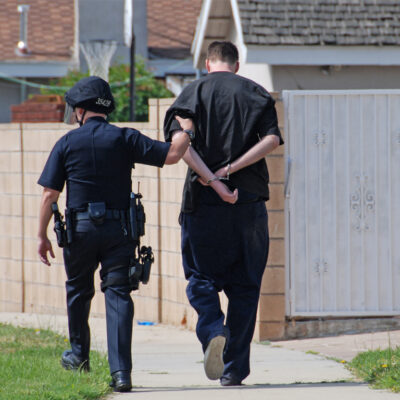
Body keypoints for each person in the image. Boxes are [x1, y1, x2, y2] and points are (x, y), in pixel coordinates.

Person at [37, 76, 193, 392]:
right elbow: (174, 154)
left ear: (80, 110)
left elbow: (49, 195)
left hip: (79, 232)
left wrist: (41, 236)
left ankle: (79, 356)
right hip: (119, 230)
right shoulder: (124, 138)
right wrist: (186, 127)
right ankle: (121, 374)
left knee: (78, 292)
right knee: (118, 295)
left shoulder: (66, 144)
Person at [164, 41, 284, 386]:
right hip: (248, 204)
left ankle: (214, 328)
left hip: (203, 204)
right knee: (246, 287)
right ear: (237, 64)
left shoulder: (191, 94)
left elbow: (179, 144)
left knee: (200, 278)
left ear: (207, 63)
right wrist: (231, 169)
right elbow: (272, 141)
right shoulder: (258, 94)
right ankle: (233, 370)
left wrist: (213, 180)